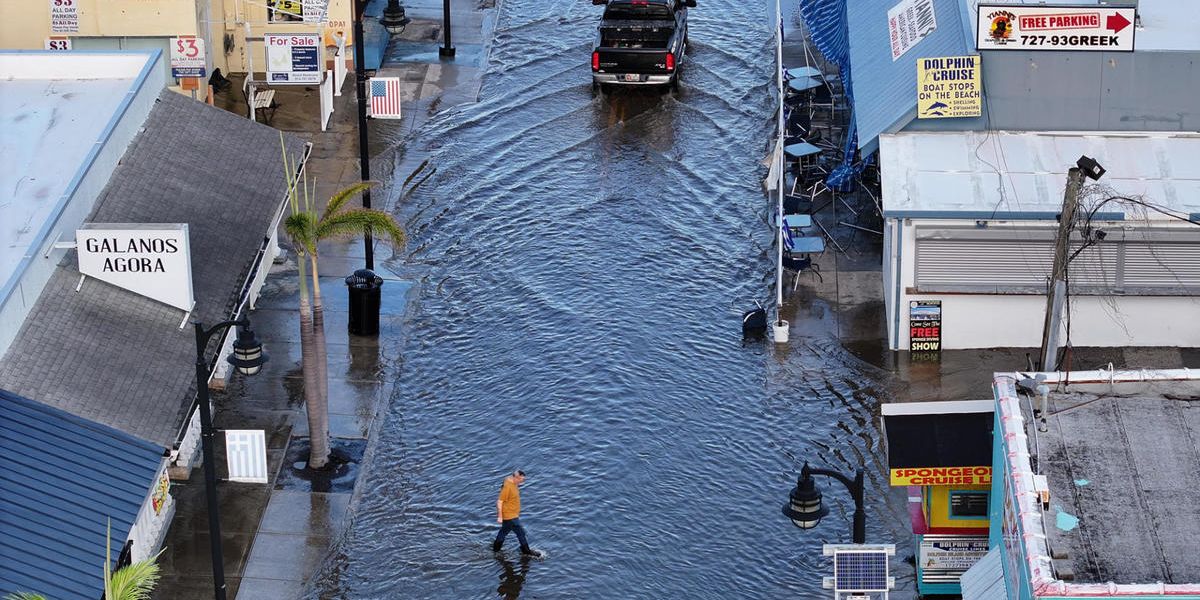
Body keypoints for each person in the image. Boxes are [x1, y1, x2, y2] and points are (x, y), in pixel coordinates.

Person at [492, 470, 542, 557]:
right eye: (521, 480)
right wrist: (500, 516)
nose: (522, 482)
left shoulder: (510, 480)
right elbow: (499, 501)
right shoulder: (507, 487)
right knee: (520, 533)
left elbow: (507, 478)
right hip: (510, 516)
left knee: (504, 531)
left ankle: (496, 549)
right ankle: (526, 551)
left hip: (512, 514)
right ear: (515, 478)